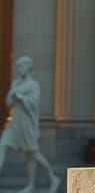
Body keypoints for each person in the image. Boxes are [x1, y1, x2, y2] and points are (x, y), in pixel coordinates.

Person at [0, 57, 60, 193]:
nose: (19, 69)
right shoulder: (16, 83)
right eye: (18, 67)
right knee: (2, 145)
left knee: (32, 154)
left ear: (28, 67)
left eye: (21, 66)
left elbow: (34, 102)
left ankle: (50, 178)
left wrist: (21, 97)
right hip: (14, 122)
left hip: (27, 123)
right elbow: (8, 102)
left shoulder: (33, 85)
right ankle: (34, 184)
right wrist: (13, 94)